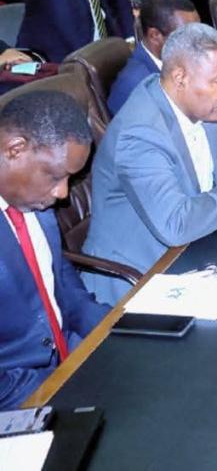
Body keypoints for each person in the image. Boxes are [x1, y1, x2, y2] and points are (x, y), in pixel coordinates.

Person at [83, 24, 217, 304]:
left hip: (200, 248)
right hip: (141, 278)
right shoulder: (139, 134)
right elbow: (175, 224)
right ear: (180, 77)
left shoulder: (203, 106)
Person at [0, 91, 109, 410]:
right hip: (18, 397)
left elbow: (57, 276)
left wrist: (111, 328)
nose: (62, 193)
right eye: (56, 176)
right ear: (15, 149)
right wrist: (61, 390)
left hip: (68, 359)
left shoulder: (32, 200)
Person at [107, 0, 199, 116]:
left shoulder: (180, 61)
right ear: (155, 36)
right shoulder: (136, 86)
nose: (197, 44)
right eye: (187, 35)